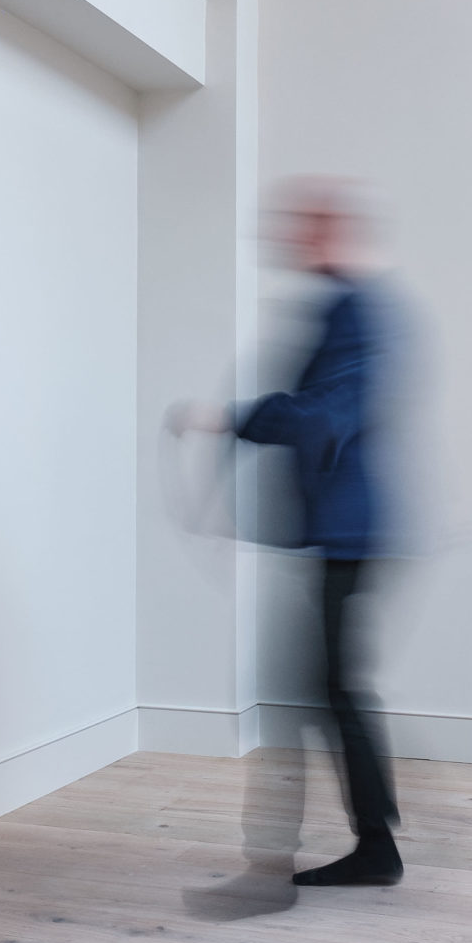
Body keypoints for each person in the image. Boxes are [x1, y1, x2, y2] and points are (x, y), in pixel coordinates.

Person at [169, 183, 405, 888]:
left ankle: (339, 852)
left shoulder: (357, 310)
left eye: (304, 224)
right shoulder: (345, 305)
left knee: (323, 687)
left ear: (331, 230)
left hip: (348, 533)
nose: (290, 237)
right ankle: (363, 844)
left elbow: (321, 416)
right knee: (328, 686)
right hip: (339, 531)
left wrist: (226, 418)